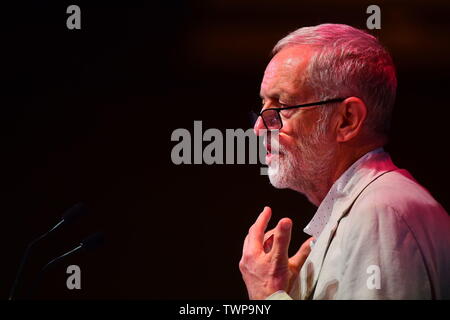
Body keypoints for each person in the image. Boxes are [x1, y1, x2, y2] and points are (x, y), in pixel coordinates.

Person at [239, 23, 450, 300]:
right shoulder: (371, 209)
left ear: (347, 119)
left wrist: (267, 296)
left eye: (282, 105)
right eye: (264, 106)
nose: (259, 128)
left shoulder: (379, 213)